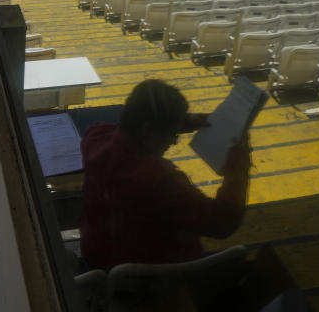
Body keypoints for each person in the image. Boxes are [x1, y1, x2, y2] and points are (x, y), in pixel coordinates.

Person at [79, 79, 251, 269]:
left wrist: (179, 122)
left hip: (97, 253)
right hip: (150, 276)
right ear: (148, 131)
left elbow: (127, 125)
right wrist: (239, 168)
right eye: (172, 135)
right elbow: (222, 222)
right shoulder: (159, 181)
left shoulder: (94, 137)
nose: (173, 142)